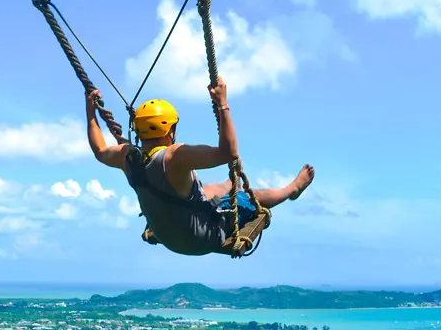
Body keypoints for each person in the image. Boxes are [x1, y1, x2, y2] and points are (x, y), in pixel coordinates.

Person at [87, 79, 314, 256]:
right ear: (170, 130)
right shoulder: (174, 156)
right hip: (200, 237)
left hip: (169, 237)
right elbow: (228, 152)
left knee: (211, 189)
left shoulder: (127, 156)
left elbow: (99, 150)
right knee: (247, 195)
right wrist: (222, 104)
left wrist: (91, 113)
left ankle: (228, 183)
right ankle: (291, 189)